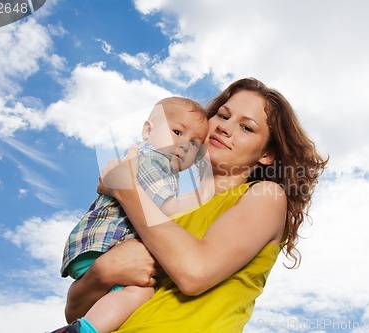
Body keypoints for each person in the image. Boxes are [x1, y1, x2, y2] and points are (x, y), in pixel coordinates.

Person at [63, 78, 328, 333]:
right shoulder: (163, 205)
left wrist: (126, 190)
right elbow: (76, 313)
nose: (225, 127)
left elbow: (194, 273)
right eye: (223, 116)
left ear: (267, 154)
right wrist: (103, 272)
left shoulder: (265, 196)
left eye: (246, 127)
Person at [50, 97, 209, 333]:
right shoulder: (152, 161)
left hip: (103, 248)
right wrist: (206, 193)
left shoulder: (157, 165)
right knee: (139, 292)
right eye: (177, 132)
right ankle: (81, 331)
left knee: (127, 302)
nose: (185, 145)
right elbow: (167, 210)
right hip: (105, 245)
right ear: (148, 130)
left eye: (195, 144)